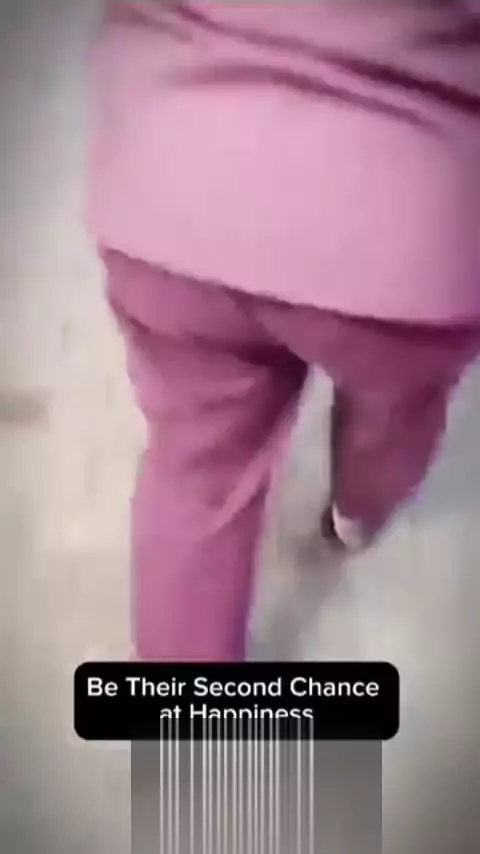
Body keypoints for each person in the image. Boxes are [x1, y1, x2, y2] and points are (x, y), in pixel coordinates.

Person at [85, 1, 480, 661]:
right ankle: (356, 513)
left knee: (197, 468)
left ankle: (184, 706)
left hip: (174, 193)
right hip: (408, 227)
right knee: (396, 413)